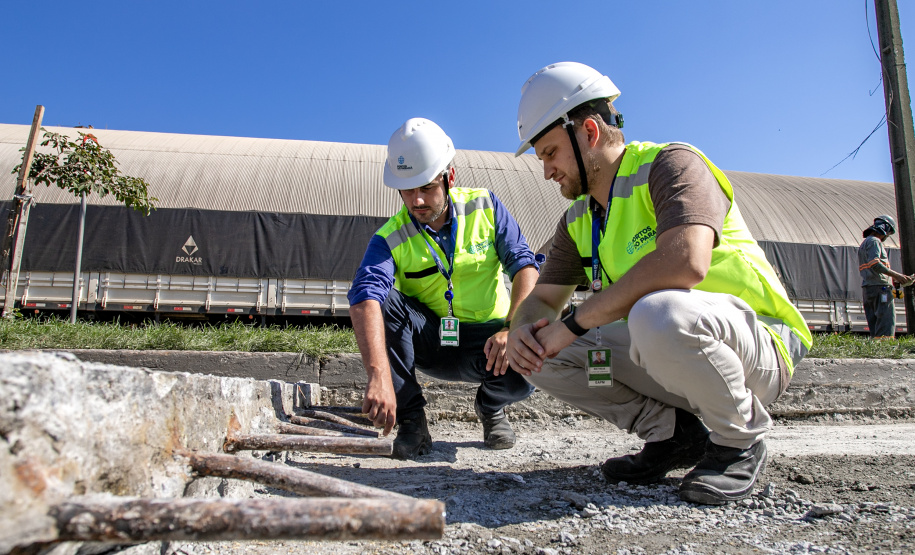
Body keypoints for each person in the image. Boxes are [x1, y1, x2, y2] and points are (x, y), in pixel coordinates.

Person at [506, 62, 813, 505]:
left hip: (757, 342)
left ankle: (738, 439)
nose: (548, 170)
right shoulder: (578, 221)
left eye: (551, 153)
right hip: (668, 342)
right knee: (539, 353)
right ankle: (672, 434)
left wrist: (572, 324)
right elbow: (543, 302)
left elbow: (686, 261)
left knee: (657, 312)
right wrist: (522, 332)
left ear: (589, 133)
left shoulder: (670, 165)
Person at [348, 117, 540, 460]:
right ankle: (412, 422)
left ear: (449, 178)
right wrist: (378, 376)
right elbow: (365, 296)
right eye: (407, 190)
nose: (417, 201)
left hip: (490, 343)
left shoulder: (486, 207)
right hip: (433, 340)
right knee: (385, 300)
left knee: (531, 353)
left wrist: (514, 328)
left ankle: (490, 407)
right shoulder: (390, 237)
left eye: (426, 187)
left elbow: (525, 266)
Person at [858, 214, 914, 339]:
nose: (887, 236)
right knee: (886, 322)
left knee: (876, 324)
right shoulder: (875, 241)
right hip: (880, 289)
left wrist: (892, 279)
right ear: (885, 229)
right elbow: (875, 264)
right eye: (889, 233)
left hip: (869, 288)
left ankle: (877, 350)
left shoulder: (865, 243)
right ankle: (886, 348)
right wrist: (897, 276)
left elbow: (872, 268)